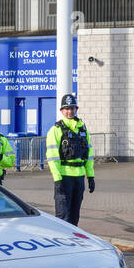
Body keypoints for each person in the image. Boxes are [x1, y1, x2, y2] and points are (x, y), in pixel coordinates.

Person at [46, 93, 95, 225]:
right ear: (61, 111)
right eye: (67, 108)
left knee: (74, 216)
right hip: (64, 177)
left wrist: (90, 176)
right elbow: (52, 157)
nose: (70, 111)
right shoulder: (55, 130)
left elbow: (89, 154)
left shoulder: (83, 128)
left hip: (79, 178)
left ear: (76, 109)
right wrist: (57, 179)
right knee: (63, 217)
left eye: (72, 108)